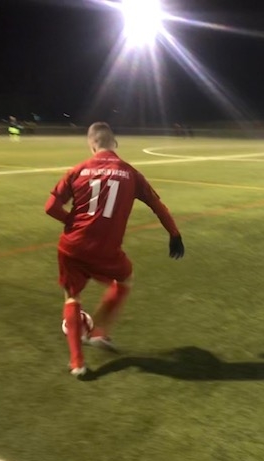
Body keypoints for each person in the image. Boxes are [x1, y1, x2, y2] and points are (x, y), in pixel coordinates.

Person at [45, 122, 185, 378]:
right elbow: (158, 206)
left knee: (72, 297)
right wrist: (174, 233)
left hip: (72, 246)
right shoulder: (130, 173)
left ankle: (77, 364)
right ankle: (98, 333)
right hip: (106, 250)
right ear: (115, 144)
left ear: (91, 144)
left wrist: (72, 222)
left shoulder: (77, 170)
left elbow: (50, 207)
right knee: (125, 279)